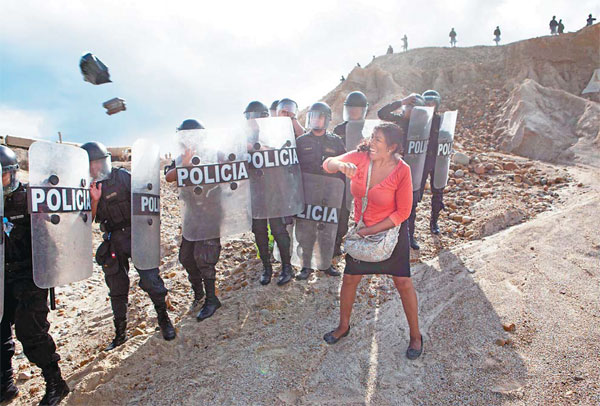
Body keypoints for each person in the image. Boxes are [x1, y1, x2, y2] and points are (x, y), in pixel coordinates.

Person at [321, 123, 423, 360]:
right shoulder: (360, 157)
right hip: (363, 229)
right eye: (372, 137)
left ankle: (416, 336)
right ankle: (343, 326)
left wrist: (371, 231)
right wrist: (340, 164)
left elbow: (403, 212)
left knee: (403, 282)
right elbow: (327, 164)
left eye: (378, 140)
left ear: (392, 147)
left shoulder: (402, 170)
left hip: (391, 232)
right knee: (349, 279)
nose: (372, 143)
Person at [83, 141, 176, 351]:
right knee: (117, 289)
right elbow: (87, 220)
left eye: (98, 163)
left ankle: (164, 320)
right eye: (91, 164)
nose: (95, 168)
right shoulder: (86, 186)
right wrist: (94, 200)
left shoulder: (121, 177)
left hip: (136, 234)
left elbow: (145, 198)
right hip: (112, 240)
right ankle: (120, 334)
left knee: (151, 280)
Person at [1, 145, 70, 405]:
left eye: (3, 175)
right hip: (2, 276)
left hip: (30, 275)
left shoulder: (31, 197)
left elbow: (52, 236)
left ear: (13, 173)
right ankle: (5, 384)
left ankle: (56, 382)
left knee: (30, 330)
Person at [164, 119, 224, 320]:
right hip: (191, 214)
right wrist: (186, 162)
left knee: (204, 258)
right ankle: (199, 294)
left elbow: (231, 167)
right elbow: (169, 177)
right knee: (186, 257)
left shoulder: (213, 153)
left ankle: (212, 299)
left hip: (210, 211)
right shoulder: (181, 158)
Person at [244, 101, 295, 286]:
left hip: (274, 190)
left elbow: (280, 153)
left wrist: (256, 147)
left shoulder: (274, 133)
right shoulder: (241, 138)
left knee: (279, 230)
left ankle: (287, 267)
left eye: (257, 116)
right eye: (250, 116)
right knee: (259, 232)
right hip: (254, 192)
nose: (253, 120)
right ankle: (266, 267)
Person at [295, 102, 347, 279]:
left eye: (320, 116)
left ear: (327, 119)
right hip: (307, 194)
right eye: (314, 116)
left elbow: (343, 167)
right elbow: (294, 169)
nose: (316, 120)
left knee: (326, 230)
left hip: (328, 195)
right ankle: (306, 266)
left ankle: (326, 265)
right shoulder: (301, 142)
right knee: (305, 231)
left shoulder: (335, 141)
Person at [377, 93, 426, 249]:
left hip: (412, 174)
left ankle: (409, 237)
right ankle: (385, 239)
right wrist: (400, 102)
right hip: (393, 172)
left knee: (410, 208)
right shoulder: (397, 122)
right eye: (408, 106)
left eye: (414, 108)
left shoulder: (422, 126)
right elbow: (381, 113)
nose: (410, 110)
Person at [417, 90, 446, 237]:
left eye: (432, 103)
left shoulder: (441, 120)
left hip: (438, 161)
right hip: (421, 161)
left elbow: (447, 137)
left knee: (438, 191)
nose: (430, 105)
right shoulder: (418, 120)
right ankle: (410, 226)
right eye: (427, 102)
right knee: (416, 192)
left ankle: (434, 221)